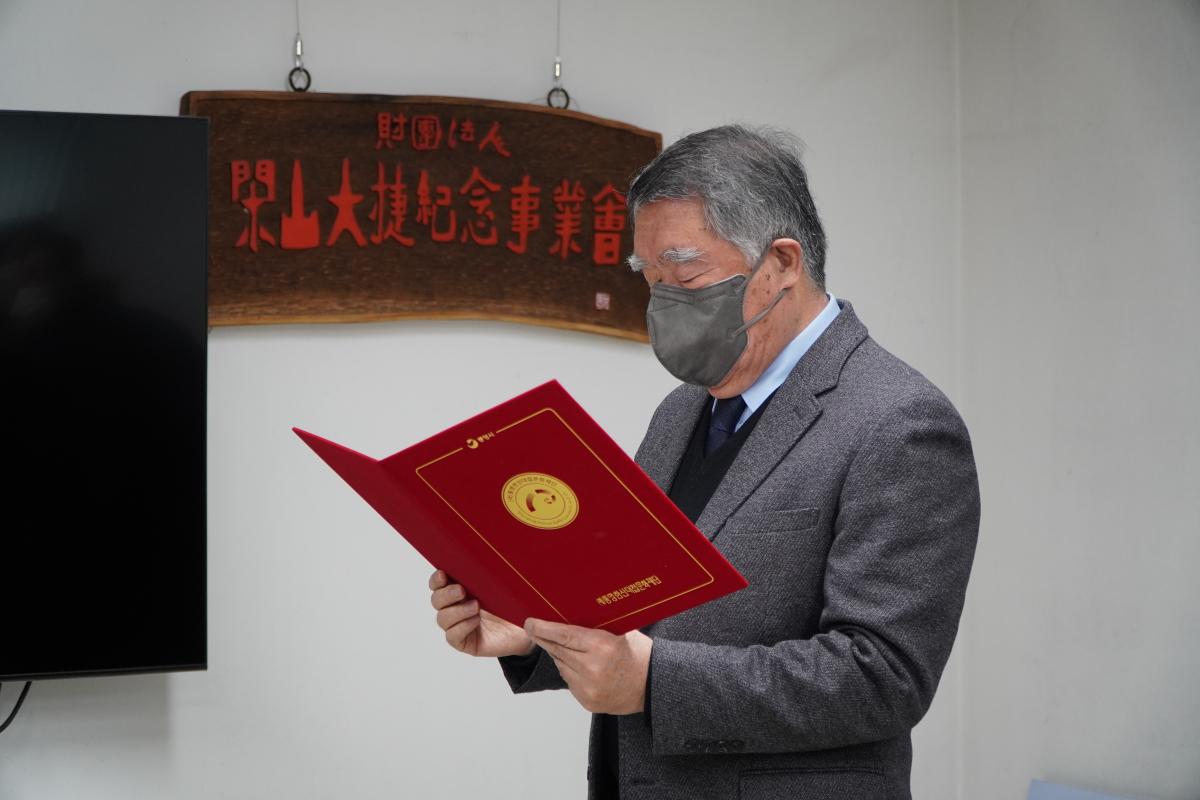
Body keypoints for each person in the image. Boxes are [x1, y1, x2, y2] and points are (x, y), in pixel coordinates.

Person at [428, 124, 980, 799]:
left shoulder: (899, 422)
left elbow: (884, 676)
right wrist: (531, 633)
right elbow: (639, 606)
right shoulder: (681, 411)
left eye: (686, 276)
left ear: (782, 263)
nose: (664, 305)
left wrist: (655, 683)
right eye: (652, 280)